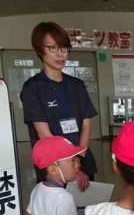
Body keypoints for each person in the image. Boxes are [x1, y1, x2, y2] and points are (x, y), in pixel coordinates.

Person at [20, 21, 98, 190]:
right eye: (52, 48)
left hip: (82, 159)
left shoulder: (77, 85)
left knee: (86, 204)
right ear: (39, 50)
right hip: (54, 167)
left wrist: (79, 160)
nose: (60, 54)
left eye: (63, 48)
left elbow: (86, 123)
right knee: (58, 205)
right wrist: (71, 168)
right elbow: (44, 134)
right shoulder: (32, 88)